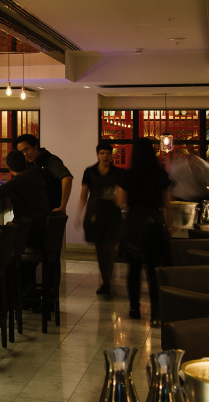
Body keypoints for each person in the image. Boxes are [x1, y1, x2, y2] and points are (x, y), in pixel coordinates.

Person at [116, 137, 171, 324]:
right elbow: (166, 204)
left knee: (134, 268)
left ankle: (135, 308)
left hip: (134, 224)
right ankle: (156, 312)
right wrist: (168, 226)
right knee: (154, 270)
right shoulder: (160, 175)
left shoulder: (128, 175)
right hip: (154, 223)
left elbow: (121, 201)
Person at [79, 141, 122, 297]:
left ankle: (108, 281)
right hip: (95, 214)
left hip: (113, 214)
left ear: (111, 155)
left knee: (110, 249)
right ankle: (106, 281)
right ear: (97, 155)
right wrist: (79, 213)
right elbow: (84, 193)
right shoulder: (90, 172)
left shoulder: (117, 173)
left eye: (108, 153)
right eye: (102, 153)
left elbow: (121, 193)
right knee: (100, 250)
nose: (105, 156)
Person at [0, 149, 49, 248]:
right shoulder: (34, 175)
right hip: (41, 230)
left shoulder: (20, 179)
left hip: (28, 232)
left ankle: (4, 258)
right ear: (25, 163)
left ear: (9, 167)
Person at [15, 134, 73, 213]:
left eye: (27, 149)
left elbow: (67, 178)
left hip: (51, 212)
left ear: (35, 146)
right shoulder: (28, 164)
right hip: (35, 213)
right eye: (21, 152)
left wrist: (62, 206)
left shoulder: (50, 160)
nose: (25, 154)